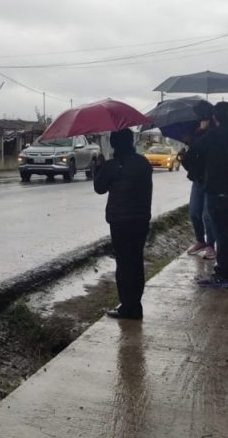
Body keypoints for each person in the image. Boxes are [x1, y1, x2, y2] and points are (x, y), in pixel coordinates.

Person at [93, 128, 153, 320]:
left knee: (124, 263)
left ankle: (127, 307)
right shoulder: (143, 163)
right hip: (141, 219)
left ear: (113, 144)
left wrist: (99, 167)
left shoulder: (112, 165)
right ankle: (135, 305)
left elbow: (99, 188)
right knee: (136, 261)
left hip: (120, 221)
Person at [192, 102, 228, 288]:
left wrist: (202, 130)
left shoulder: (214, 135)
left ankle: (223, 274)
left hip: (218, 190)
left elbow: (195, 151)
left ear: (215, 118)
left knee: (223, 235)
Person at [179, 103, 218, 260]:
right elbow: (194, 152)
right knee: (194, 212)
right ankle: (200, 240)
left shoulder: (215, 131)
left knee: (207, 215)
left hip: (212, 179)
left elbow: (204, 147)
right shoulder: (196, 129)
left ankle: (210, 245)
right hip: (198, 178)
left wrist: (202, 131)